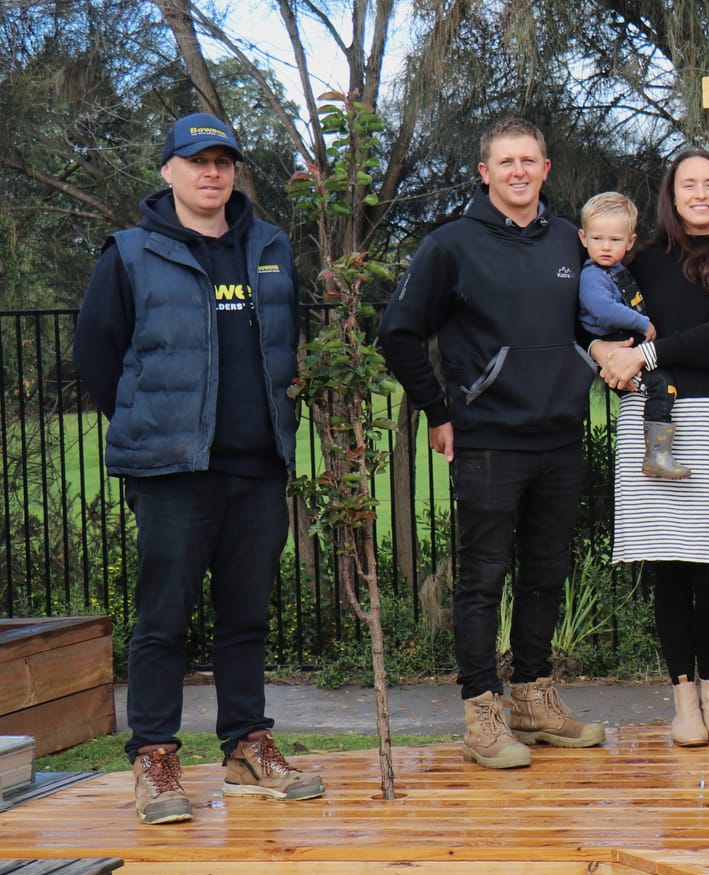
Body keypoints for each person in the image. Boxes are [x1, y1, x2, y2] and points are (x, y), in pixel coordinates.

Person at [74, 113, 324, 824]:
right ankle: (155, 756)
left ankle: (247, 746)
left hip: (257, 467)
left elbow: (286, 343)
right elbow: (98, 353)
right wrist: (150, 428)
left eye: (222, 161)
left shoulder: (270, 248)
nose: (211, 173)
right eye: (196, 161)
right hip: (172, 471)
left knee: (246, 615)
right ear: (169, 171)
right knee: (164, 619)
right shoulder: (129, 254)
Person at [378, 116, 605, 770]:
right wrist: (438, 410)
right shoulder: (450, 245)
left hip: (560, 436)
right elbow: (398, 332)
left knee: (546, 573)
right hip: (486, 440)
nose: (518, 171)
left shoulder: (570, 240)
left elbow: (600, 311)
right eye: (505, 161)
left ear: (546, 168)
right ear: (484, 172)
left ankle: (534, 698)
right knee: (482, 579)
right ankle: (483, 710)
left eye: (529, 160)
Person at [589, 149, 709, 748]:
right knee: (668, 566)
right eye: (688, 184)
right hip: (653, 417)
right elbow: (588, 314)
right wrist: (600, 354)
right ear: (672, 193)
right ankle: (683, 703)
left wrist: (644, 354)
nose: (700, 193)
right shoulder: (643, 261)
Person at [578, 191, 687, 480]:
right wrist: (642, 323)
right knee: (661, 387)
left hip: (631, 348)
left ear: (630, 242)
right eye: (598, 239)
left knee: (667, 383)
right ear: (583, 238)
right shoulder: (593, 276)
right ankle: (656, 455)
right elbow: (603, 310)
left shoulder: (617, 270)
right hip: (616, 351)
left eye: (614, 240)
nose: (605, 247)